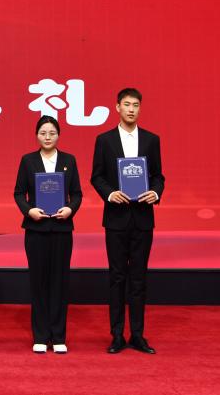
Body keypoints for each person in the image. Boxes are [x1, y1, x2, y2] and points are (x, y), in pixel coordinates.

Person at [91, 88, 165, 354]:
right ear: (117, 107)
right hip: (116, 219)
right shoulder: (105, 140)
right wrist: (110, 194)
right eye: (127, 104)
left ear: (140, 108)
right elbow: (97, 176)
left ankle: (137, 335)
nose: (131, 109)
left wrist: (155, 192)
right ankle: (116, 335)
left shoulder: (151, 140)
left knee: (139, 278)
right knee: (117, 277)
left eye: (135, 105)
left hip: (143, 218)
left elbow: (158, 176)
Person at [14, 116, 82, 354]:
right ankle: (41, 336)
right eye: (43, 133)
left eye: (52, 133)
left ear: (58, 135)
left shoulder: (68, 160)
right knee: (39, 282)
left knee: (60, 283)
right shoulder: (28, 161)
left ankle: (59, 336)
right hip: (36, 230)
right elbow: (19, 193)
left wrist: (70, 209)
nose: (47, 137)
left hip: (62, 229)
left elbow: (77, 193)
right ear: (37, 135)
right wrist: (29, 210)